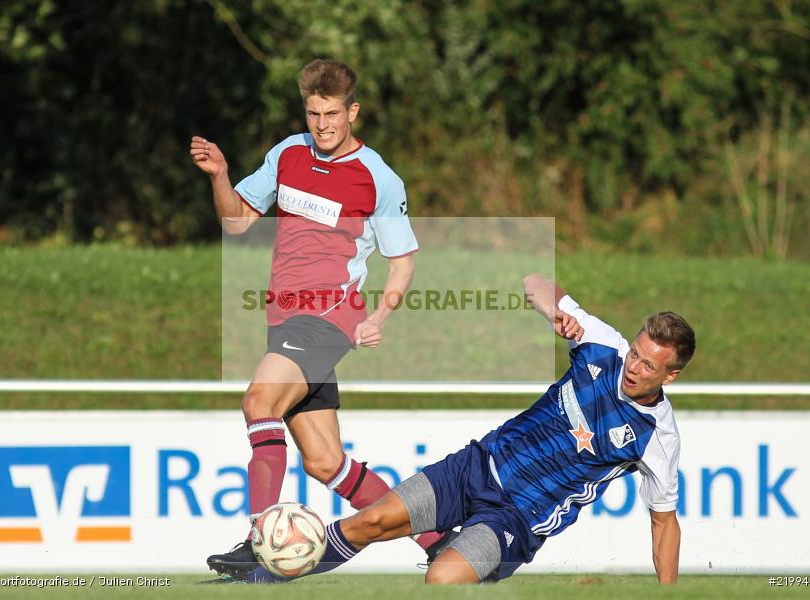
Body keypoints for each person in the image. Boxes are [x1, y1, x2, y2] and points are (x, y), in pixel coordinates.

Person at [243, 273, 695, 584]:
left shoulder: (657, 435)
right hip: (475, 466)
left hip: (517, 518)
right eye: (635, 352)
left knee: (441, 579)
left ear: (669, 375)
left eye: (647, 364)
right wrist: (556, 312)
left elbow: (664, 523)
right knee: (371, 522)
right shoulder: (601, 343)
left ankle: (469, 557)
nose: (633, 366)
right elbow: (535, 283)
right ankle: (263, 574)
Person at [189, 59, 447, 579]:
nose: (322, 125)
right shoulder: (288, 153)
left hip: (330, 318)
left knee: (258, 401)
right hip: (284, 319)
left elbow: (403, 260)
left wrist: (380, 316)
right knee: (326, 463)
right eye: (313, 114)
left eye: (332, 114)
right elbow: (237, 222)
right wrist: (220, 175)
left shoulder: (378, 177)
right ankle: (439, 535)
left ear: (353, 111)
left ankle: (260, 540)